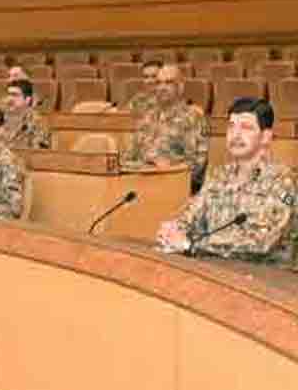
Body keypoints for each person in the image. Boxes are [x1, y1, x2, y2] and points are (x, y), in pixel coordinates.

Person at [156, 98, 295, 264]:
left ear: (265, 137)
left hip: (266, 275)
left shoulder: (282, 180)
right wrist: (174, 230)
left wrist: (193, 244)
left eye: (246, 127)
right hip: (216, 270)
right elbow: (191, 215)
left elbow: (261, 242)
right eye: (231, 126)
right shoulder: (219, 175)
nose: (236, 134)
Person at [121, 65, 208, 189]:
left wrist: (170, 168)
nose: (162, 87)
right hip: (141, 184)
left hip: (174, 186)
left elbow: (198, 165)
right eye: (159, 83)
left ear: (180, 87)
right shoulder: (147, 117)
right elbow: (129, 157)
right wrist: (143, 166)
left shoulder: (193, 117)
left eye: (168, 83)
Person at [0, 79, 52, 149]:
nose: (10, 99)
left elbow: (40, 152)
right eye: (9, 94)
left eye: (15, 95)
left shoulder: (38, 123)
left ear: (27, 100)